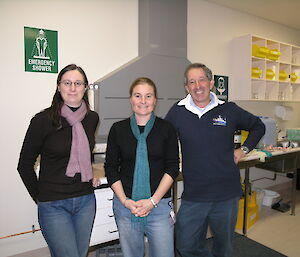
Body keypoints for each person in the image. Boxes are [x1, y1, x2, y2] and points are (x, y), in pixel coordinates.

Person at [165, 63, 265, 257]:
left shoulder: (229, 109)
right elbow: (162, 138)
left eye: (202, 80)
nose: (197, 85)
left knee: (224, 247)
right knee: (185, 244)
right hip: (194, 195)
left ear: (211, 83)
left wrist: (243, 149)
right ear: (187, 87)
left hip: (226, 194)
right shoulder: (178, 112)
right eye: (192, 82)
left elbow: (258, 126)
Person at [17, 64, 99, 257]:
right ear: (58, 86)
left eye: (78, 83)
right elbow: (24, 165)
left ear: (85, 87)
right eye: (67, 83)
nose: (73, 88)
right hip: (54, 204)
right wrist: (40, 196)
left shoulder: (92, 118)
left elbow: (84, 153)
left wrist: (91, 173)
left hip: (85, 201)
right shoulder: (43, 120)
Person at [105, 77, 179, 257]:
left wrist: (152, 201)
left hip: (159, 206)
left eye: (148, 96)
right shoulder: (118, 129)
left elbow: (172, 167)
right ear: (131, 99)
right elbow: (111, 168)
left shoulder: (167, 128)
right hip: (126, 206)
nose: (143, 101)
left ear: (155, 100)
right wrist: (124, 201)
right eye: (138, 96)